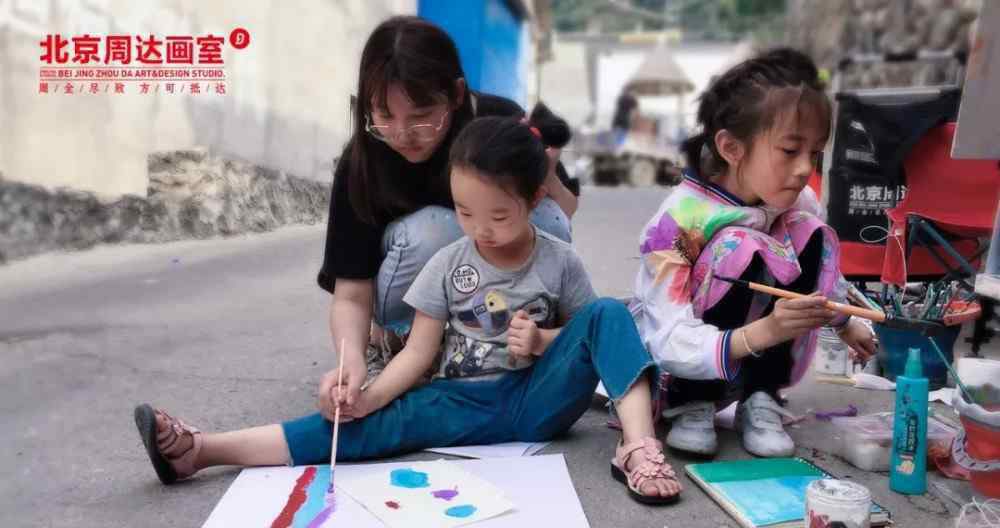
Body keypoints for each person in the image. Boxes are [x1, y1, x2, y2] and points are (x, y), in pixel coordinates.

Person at [134, 109, 682, 504]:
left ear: (534, 201)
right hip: (457, 401)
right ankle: (201, 451)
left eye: (498, 216)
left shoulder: (559, 260)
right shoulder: (447, 263)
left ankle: (637, 447)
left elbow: (584, 334)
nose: (480, 231)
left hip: (538, 402)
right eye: (466, 213)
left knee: (610, 311)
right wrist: (365, 398)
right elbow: (419, 353)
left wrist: (541, 340)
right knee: (361, 431)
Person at [630, 48, 878, 458]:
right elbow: (667, 335)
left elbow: (824, 276)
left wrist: (843, 320)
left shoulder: (798, 200)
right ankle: (693, 401)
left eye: (814, 153)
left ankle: (761, 393)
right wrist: (765, 332)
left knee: (806, 231)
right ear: (731, 148)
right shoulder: (677, 223)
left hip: (751, 353)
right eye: (789, 150)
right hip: (682, 366)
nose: (804, 168)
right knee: (737, 244)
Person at [319, 16, 581, 403]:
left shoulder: (498, 122)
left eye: (422, 117)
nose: (402, 135)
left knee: (544, 222)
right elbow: (352, 295)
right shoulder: (362, 161)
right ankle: (405, 343)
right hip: (408, 288)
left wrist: (549, 178)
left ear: (457, 94)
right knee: (434, 232)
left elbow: (563, 215)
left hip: (485, 294)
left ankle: (511, 338)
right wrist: (350, 358)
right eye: (384, 116)